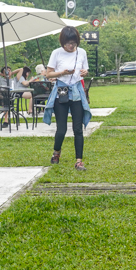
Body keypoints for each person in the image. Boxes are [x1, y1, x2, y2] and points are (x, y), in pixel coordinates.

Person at [43, 27, 92, 169]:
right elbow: (48, 74)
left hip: (76, 91)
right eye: (68, 43)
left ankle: (78, 161)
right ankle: (56, 152)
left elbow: (85, 70)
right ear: (63, 42)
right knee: (61, 129)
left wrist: (84, 72)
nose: (71, 46)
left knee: (78, 129)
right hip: (61, 91)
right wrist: (61, 73)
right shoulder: (56, 53)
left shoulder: (81, 52)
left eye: (74, 43)